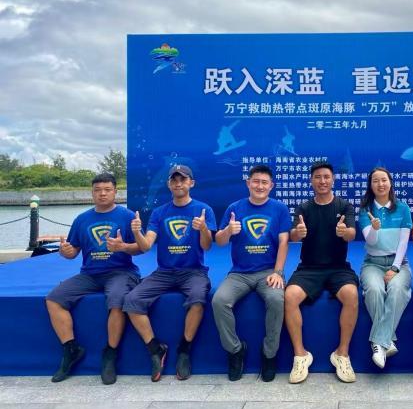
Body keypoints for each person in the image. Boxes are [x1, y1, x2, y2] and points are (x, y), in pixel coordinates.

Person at [45, 172, 141, 384]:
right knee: (54, 299)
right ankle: (71, 349)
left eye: (107, 190)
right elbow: (73, 252)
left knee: (117, 301)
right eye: (97, 190)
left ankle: (110, 353)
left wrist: (123, 247)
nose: (102, 194)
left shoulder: (127, 217)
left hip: (121, 271)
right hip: (89, 274)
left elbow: (141, 248)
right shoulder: (82, 219)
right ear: (92, 193)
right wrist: (65, 251)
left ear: (115, 192)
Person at [124, 164, 216, 382]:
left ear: (191, 183)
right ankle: (155, 348)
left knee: (198, 298)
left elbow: (207, 246)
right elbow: (146, 245)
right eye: (174, 180)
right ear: (168, 184)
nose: (178, 183)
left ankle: (184, 349)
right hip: (164, 272)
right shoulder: (159, 213)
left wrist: (203, 229)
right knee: (131, 300)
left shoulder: (203, 210)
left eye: (183, 179)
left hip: (193, 271)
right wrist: (137, 233)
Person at [212, 164, 290, 382]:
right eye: (256, 181)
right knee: (219, 301)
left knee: (276, 299)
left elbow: (284, 242)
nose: (260, 186)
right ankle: (235, 350)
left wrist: (278, 272)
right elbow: (219, 241)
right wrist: (228, 231)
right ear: (248, 183)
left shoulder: (279, 209)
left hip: (269, 272)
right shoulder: (234, 208)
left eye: (265, 182)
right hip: (240, 273)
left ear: (271, 186)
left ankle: (269, 354)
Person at [284, 161, 358, 384]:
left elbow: (352, 234)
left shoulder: (344, 206)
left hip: (338, 267)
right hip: (309, 268)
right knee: (290, 296)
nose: (322, 181)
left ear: (333, 179)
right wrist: (298, 233)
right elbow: (293, 236)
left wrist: (344, 232)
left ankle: (342, 354)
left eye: (326, 177)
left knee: (351, 295)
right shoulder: (304, 208)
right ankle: (300, 355)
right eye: (318, 177)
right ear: (311, 181)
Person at [358, 167, 413, 369]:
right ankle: (387, 341)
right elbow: (371, 241)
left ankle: (378, 343)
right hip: (372, 263)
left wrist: (395, 268)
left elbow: (404, 243)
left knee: (397, 290)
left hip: (399, 263)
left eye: (384, 180)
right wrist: (374, 228)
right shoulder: (365, 210)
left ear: (390, 183)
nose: (380, 184)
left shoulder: (403, 208)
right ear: (370, 185)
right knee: (374, 290)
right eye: (375, 181)